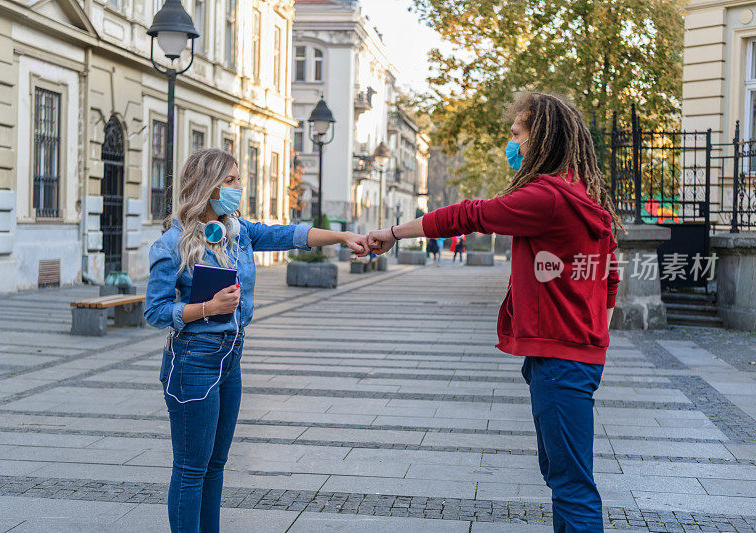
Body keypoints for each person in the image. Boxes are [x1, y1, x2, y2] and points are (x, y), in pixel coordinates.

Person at [366, 91, 624, 533]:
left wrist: (394, 232)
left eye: (516, 134)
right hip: (576, 355)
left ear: (539, 138)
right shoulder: (583, 194)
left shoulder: (546, 197)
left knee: (572, 486)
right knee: (562, 478)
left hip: (562, 360)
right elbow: (610, 275)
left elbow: (468, 215)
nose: (512, 144)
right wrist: (590, 328)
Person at [145, 148, 368, 533]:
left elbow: (289, 234)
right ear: (206, 185)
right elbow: (155, 310)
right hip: (193, 362)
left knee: (216, 466)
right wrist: (207, 307)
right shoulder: (172, 243)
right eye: (230, 181)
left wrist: (343, 236)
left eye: (237, 179)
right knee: (191, 467)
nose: (238, 187)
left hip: (229, 360)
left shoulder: (238, 232)